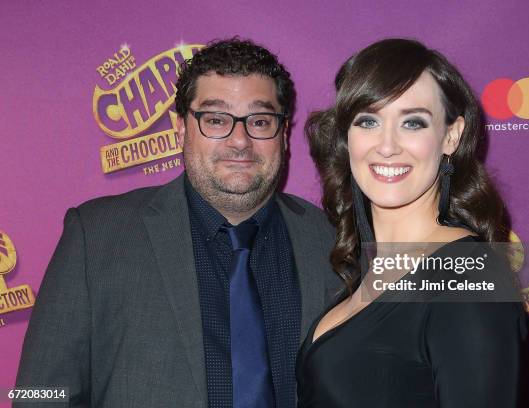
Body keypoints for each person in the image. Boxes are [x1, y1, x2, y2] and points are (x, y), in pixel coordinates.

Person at [16, 38, 340, 408]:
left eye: (260, 121)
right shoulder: (97, 236)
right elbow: (37, 394)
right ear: (182, 129)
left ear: (283, 135)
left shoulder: (328, 240)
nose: (239, 140)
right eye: (215, 119)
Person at [298, 38, 526, 407]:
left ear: (450, 136)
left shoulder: (467, 277)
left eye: (413, 122)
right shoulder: (368, 272)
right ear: (347, 136)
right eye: (368, 120)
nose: (387, 145)